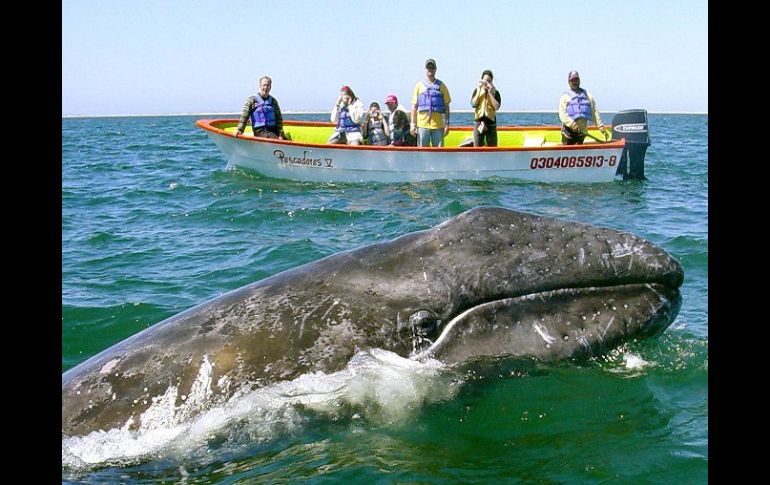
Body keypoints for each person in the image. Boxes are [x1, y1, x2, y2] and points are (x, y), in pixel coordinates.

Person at [558, 70, 607, 145]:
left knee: (579, 149)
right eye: (572, 80)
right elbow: (562, 114)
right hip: (568, 133)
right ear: (569, 82)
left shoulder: (588, 96)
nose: (574, 82)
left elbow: (594, 112)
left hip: (582, 132)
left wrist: (601, 127)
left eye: (576, 80)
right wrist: (572, 124)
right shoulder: (564, 97)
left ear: (579, 80)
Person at [410, 58, 452, 147]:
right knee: (422, 152)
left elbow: (447, 106)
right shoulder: (419, 86)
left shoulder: (442, 86)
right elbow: (414, 107)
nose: (430, 69)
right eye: (428, 67)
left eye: (432, 67)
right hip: (422, 125)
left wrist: (447, 124)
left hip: (438, 126)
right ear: (425, 69)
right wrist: (413, 124)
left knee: (439, 152)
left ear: (435, 69)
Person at [470, 69, 502, 147]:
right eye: (485, 81)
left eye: (489, 81)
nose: (486, 83)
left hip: (490, 123)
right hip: (479, 123)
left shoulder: (496, 93)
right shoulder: (477, 90)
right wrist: (478, 91)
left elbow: (497, 107)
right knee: (477, 148)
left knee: (492, 148)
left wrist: (490, 93)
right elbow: (473, 104)